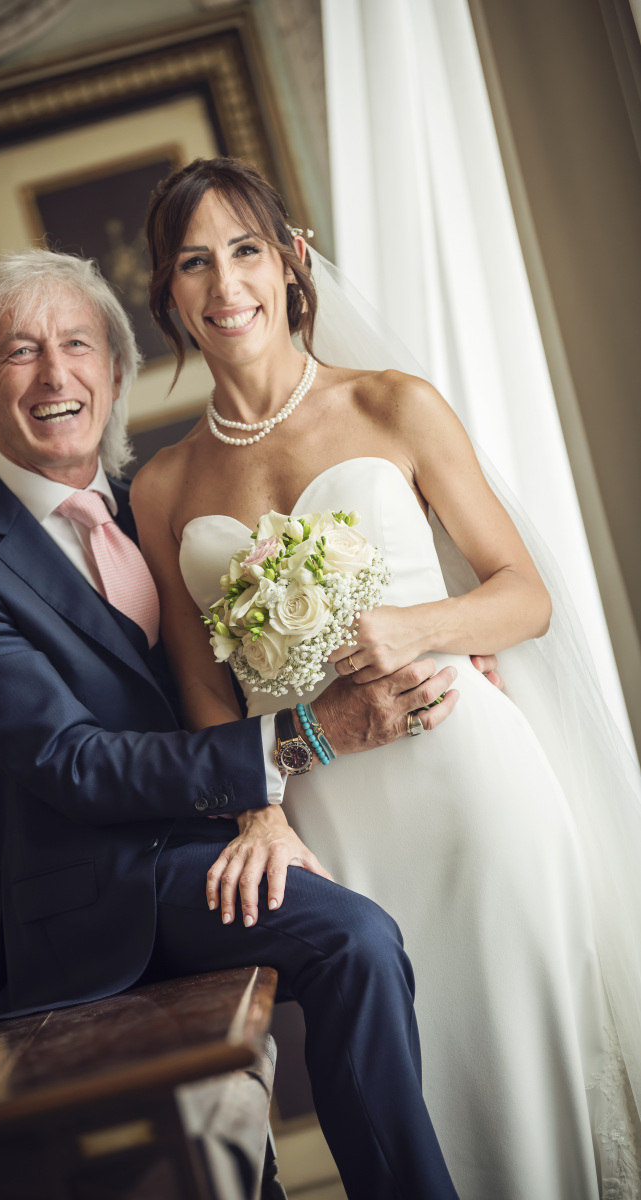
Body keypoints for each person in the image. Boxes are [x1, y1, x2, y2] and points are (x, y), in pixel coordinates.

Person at [0, 246, 499, 1200]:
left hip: (249, 830)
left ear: (115, 373)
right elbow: (72, 764)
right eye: (20, 352)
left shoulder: (161, 505)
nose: (54, 375)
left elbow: (272, 649)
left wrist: (444, 645)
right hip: (108, 891)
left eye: (77, 345)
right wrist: (303, 738)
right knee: (354, 939)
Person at [133, 156, 641, 1200]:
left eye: (245, 250)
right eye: (194, 262)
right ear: (169, 295)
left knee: (525, 1063)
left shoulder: (393, 404)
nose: (225, 283)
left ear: (292, 261)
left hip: (468, 782)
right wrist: (258, 817)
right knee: (424, 1090)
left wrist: (419, 625)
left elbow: (525, 596)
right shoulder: (164, 485)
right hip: (329, 820)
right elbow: (202, 691)